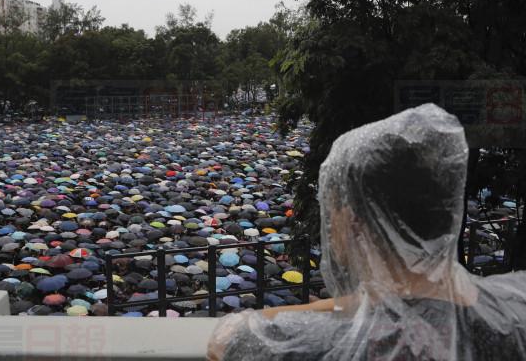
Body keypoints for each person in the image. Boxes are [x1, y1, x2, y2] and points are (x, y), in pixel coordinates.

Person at [207, 103, 526, 360]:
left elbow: (226, 343)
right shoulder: (510, 311)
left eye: (332, 210)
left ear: (354, 221)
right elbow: (402, 303)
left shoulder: (314, 346)